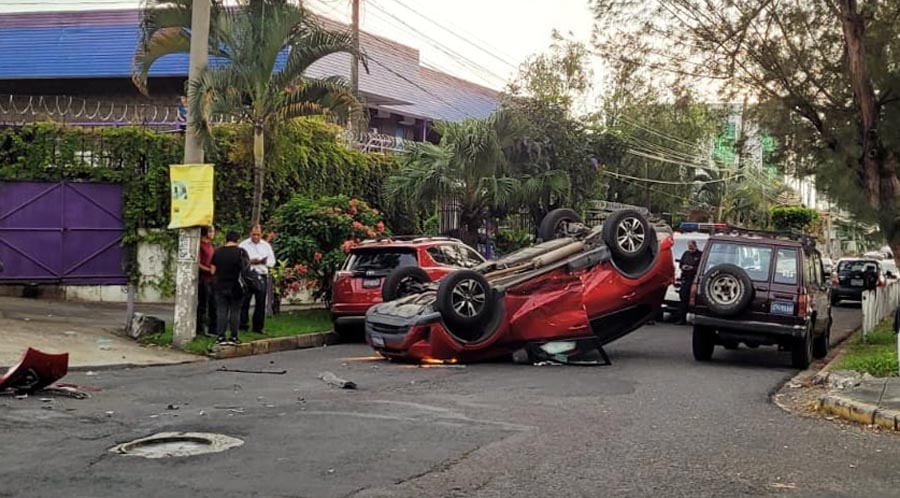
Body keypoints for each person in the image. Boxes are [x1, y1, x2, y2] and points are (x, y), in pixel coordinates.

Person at [211, 230, 246, 345]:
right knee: (235, 311)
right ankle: (234, 337)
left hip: (220, 285)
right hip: (236, 285)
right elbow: (245, 269)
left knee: (221, 311)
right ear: (237, 240)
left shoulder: (218, 252)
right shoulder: (240, 252)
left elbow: (212, 270)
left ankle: (220, 337)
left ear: (226, 239)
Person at [239, 224, 275, 333]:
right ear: (250, 233)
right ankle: (243, 324)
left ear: (261, 234)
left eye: (258, 235)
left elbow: (272, 261)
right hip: (248, 275)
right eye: (254, 234)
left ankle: (258, 327)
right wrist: (250, 262)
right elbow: (239, 260)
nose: (255, 237)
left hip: (261, 274)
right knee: (245, 301)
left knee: (260, 302)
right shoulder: (243, 245)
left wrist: (263, 261)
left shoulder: (266, 245)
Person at [197, 225, 217, 336]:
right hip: (204, 278)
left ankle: (213, 329)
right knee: (203, 304)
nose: (213, 233)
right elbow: (198, 263)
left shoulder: (210, 245)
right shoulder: (201, 246)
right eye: (212, 231)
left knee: (213, 304)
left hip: (212, 278)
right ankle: (200, 329)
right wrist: (209, 270)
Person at [676, 240, 703, 325]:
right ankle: (681, 319)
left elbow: (701, 267)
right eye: (689, 247)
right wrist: (683, 267)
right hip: (685, 279)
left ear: (695, 246)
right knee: (683, 298)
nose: (690, 249)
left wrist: (693, 268)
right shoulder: (686, 254)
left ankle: (697, 319)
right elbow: (681, 264)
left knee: (695, 301)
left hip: (695, 280)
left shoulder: (700, 255)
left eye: (691, 247)